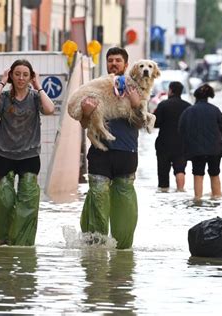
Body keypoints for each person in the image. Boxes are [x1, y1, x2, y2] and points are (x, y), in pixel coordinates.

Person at [0, 59, 55, 246]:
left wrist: (38, 85)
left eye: (25, 74)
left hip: (29, 156)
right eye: (17, 74)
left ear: (30, 76)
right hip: (5, 155)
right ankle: (1, 236)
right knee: (4, 199)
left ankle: (21, 244)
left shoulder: (35, 97)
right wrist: (1, 82)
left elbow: (50, 109)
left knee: (28, 201)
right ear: (11, 76)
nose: (21, 78)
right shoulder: (5, 97)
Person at [79, 47, 142, 249]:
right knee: (97, 196)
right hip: (100, 153)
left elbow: (142, 123)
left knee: (124, 203)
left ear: (126, 64)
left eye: (118, 60)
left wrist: (135, 104)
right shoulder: (96, 88)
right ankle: (96, 246)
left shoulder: (135, 88)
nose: (114, 64)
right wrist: (87, 113)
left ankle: (123, 249)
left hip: (126, 153)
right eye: (110, 61)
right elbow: (83, 124)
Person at [178, 84, 222, 201]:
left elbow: (181, 130)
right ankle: (216, 198)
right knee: (214, 173)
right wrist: (216, 137)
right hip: (215, 149)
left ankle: (198, 199)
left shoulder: (188, 111)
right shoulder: (215, 110)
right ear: (208, 97)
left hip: (196, 150)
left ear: (195, 97)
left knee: (198, 174)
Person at [154, 81, 191, 192]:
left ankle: (164, 192)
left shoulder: (163, 105)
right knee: (180, 170)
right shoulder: (188, 106)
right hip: (181, 145)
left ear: (170, 91)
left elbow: (155, 123)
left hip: (164, 144)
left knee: (163, 173)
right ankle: (180, 190)